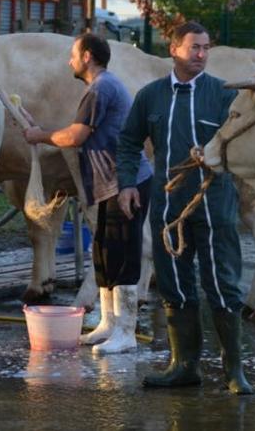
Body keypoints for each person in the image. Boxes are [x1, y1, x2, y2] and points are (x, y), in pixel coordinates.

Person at [116, 21, 253, 394]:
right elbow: (128, 142)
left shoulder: (224, 95)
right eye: (194, 47)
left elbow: (244, 142)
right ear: (173, 49)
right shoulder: (151, 96)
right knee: (174, 281)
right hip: (167, 205)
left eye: (206, 47)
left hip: (214, 203)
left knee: (223, 283)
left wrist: (218, 157)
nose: (201, 54)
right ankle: (183, 366)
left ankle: (234, 370)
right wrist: (127, 183)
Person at [23, 33, 153, 354]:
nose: (69, 60)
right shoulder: (98, 88)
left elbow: (76, 136)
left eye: (73, 54)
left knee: (123, 255)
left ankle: (126, 331)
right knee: (105, 254)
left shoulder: (101, 88)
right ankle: (108, 324)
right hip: (108, 184)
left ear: (87, 57)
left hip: (127, 184)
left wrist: (40, 135)